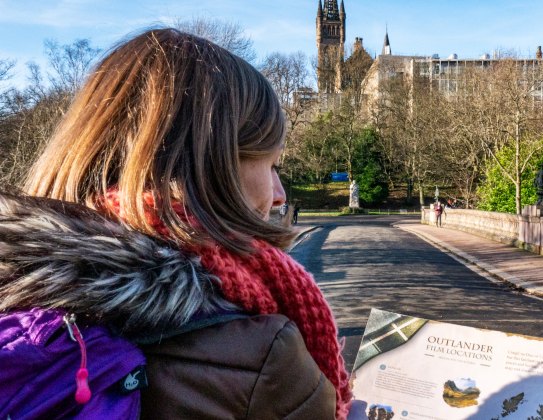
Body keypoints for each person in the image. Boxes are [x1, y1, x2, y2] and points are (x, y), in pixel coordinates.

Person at [0, 29, 349, 418]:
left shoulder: (15, 288)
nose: (280, 193)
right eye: (271, 164)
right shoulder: (263, 357)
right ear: (213, 167)